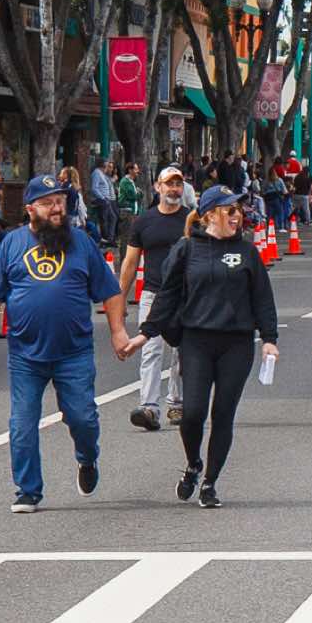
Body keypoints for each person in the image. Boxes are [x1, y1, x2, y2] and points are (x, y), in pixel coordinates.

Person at [0, 173, 128, 513]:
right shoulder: (12, 244)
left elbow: (111, 291)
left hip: (74, 352)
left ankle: (87, 457)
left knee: (83, 418)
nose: (57, 209)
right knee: (22, 424)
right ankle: (28, 490)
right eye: (48, 203)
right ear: (30, 209)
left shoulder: (82, 242)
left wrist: (117, 331)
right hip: (25, 355)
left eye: (60, 202)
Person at [134, 184, 279, 508]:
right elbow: (167, 294)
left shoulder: (247, 251)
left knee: (223, 414)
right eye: (230, 210)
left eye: (238, 210)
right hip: (196, 341)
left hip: (236, 343)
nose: (237, 216)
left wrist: (269, 339)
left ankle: (210, 482)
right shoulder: (187, 249)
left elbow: (262, 298)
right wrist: (146, 333)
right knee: (192, 414)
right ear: (210, 215)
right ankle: (193, 464)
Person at [118, 166, 193, 433]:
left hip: (184, 296)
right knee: (150, 349)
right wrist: (120, 300)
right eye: (169, 184)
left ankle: (177, 402)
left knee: (182, 351)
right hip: (152, 294)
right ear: (157, 187)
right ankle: (149, 407)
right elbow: (130, 262)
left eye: (178, 184)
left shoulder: (191, 220)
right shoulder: (144, 222)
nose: (174, 189)